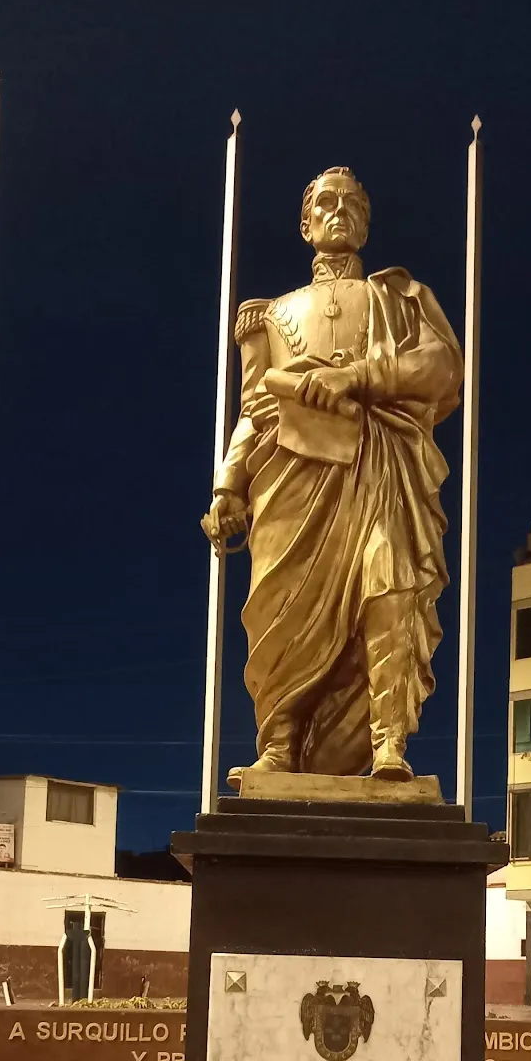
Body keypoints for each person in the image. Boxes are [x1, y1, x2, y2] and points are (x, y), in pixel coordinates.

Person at [202, 166, 463, 784]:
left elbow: (441, 367)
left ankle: (388, 743)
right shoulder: (270, 316)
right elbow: (253, 408)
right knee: (284, 610)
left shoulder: (398, 300)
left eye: (352, 204)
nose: (339, 211)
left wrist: (358, 377)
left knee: (389, 588)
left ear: (366, 224)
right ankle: (280, 745)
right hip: (291, 478)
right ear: (306, 223)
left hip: (379, 465)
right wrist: (228, 485)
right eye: (326, 202)